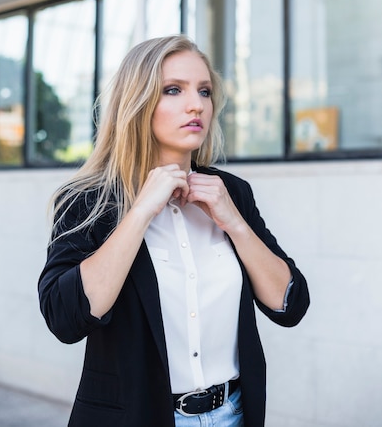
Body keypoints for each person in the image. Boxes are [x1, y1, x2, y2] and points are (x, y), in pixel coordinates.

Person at [38, 34, 309, 427]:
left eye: (204, 91)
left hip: (233, 414)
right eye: (172, 90)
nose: (196, 104)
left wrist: (233, 222)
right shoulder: (89, 200)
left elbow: (290, 303)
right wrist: (142, 210)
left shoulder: (231, 193)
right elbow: (65, 320)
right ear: (138, 102)